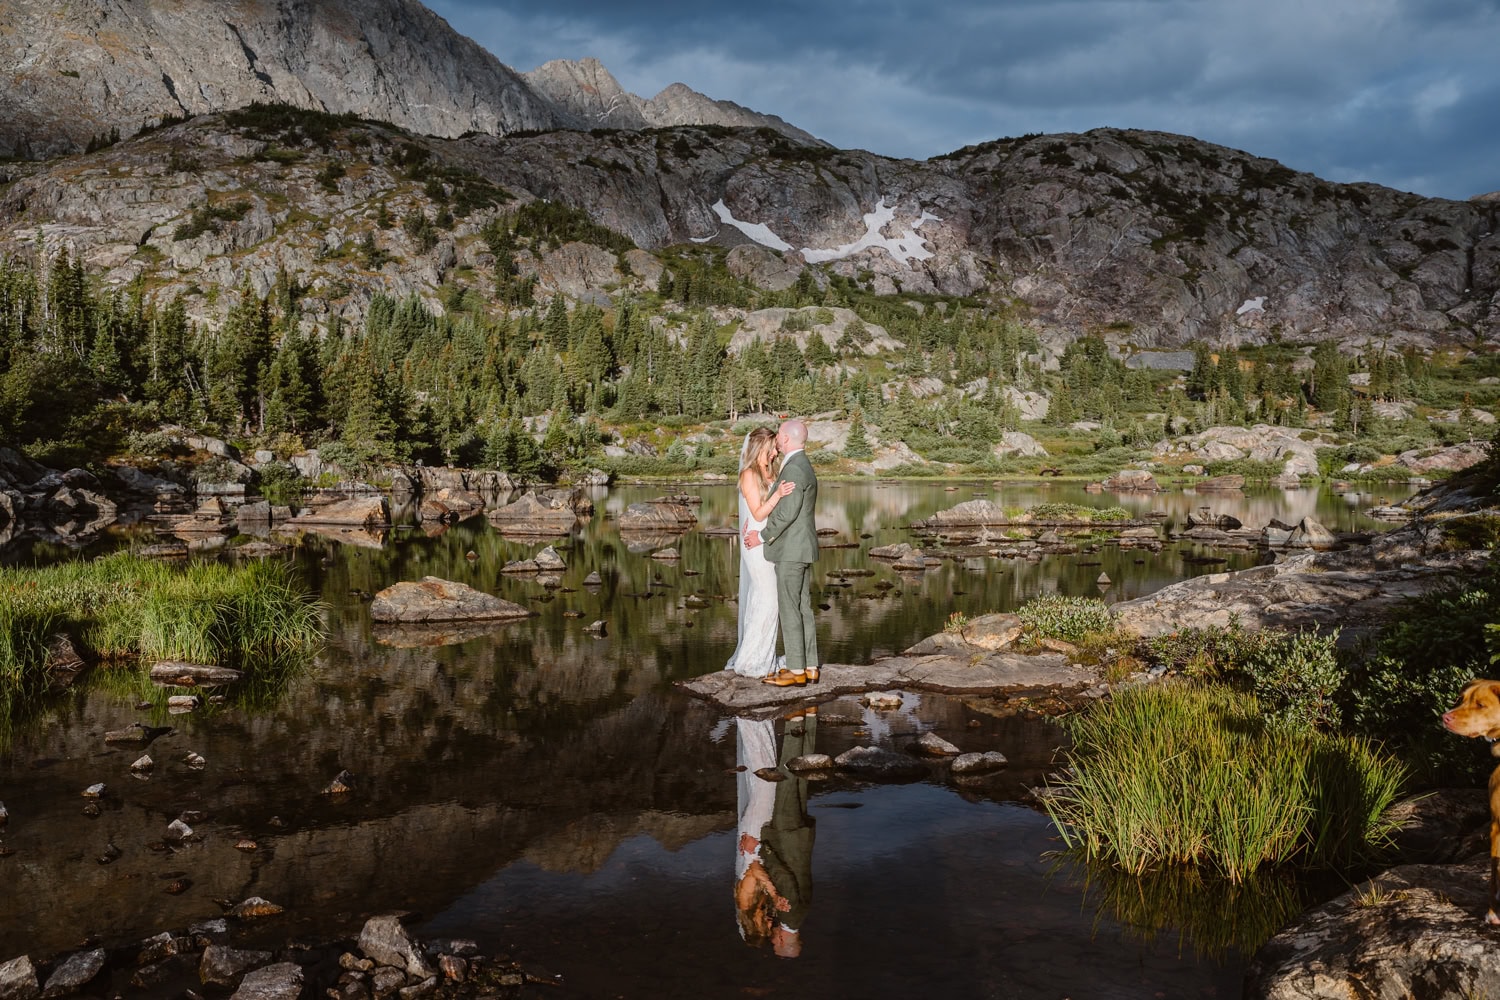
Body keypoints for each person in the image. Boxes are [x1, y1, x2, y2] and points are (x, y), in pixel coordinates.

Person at [744, 419, 820, 687]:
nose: (776, 443)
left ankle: (796, 670)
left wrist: (762, 536)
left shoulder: (795, 469)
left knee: (790, 609)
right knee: (803, 607)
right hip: (802, 548)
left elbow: (787, 512)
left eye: (778, 439)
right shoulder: (803, 465)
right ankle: (810, 666)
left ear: (786, 439)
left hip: (791, 550)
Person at [724, 427, 796, 678]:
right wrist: (777, 494)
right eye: (773, 448)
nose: (776, 452)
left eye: (776, 448)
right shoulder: (748, 474)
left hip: (770, 541)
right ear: (760, 447)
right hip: (756, 544)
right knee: (766, 598)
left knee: (769, 599)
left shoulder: (769, 470)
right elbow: (757, 513)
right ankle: (752, 660)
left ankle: (761, 655)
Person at [760, 708, 817, 957]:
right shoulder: (789, 912)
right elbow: (782, 874)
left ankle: (811, 718)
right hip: (786, 836)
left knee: (801, 778)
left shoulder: (803, 915)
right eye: (775, 944)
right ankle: (795, 722)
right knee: (787, 779)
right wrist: (762, 848)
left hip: (802, 839)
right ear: (783, 941)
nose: (772, 940)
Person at [733, 716, 787, 946]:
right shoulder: (759, 902)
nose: (768, 921)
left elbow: (754, 868)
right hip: (757, 838)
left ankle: (749, 721)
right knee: (764, 784)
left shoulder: (745, 902)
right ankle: (759, 721)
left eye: (765, 926)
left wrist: (774, 894)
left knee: (765, 785)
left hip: (752, 834)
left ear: (753, 925)